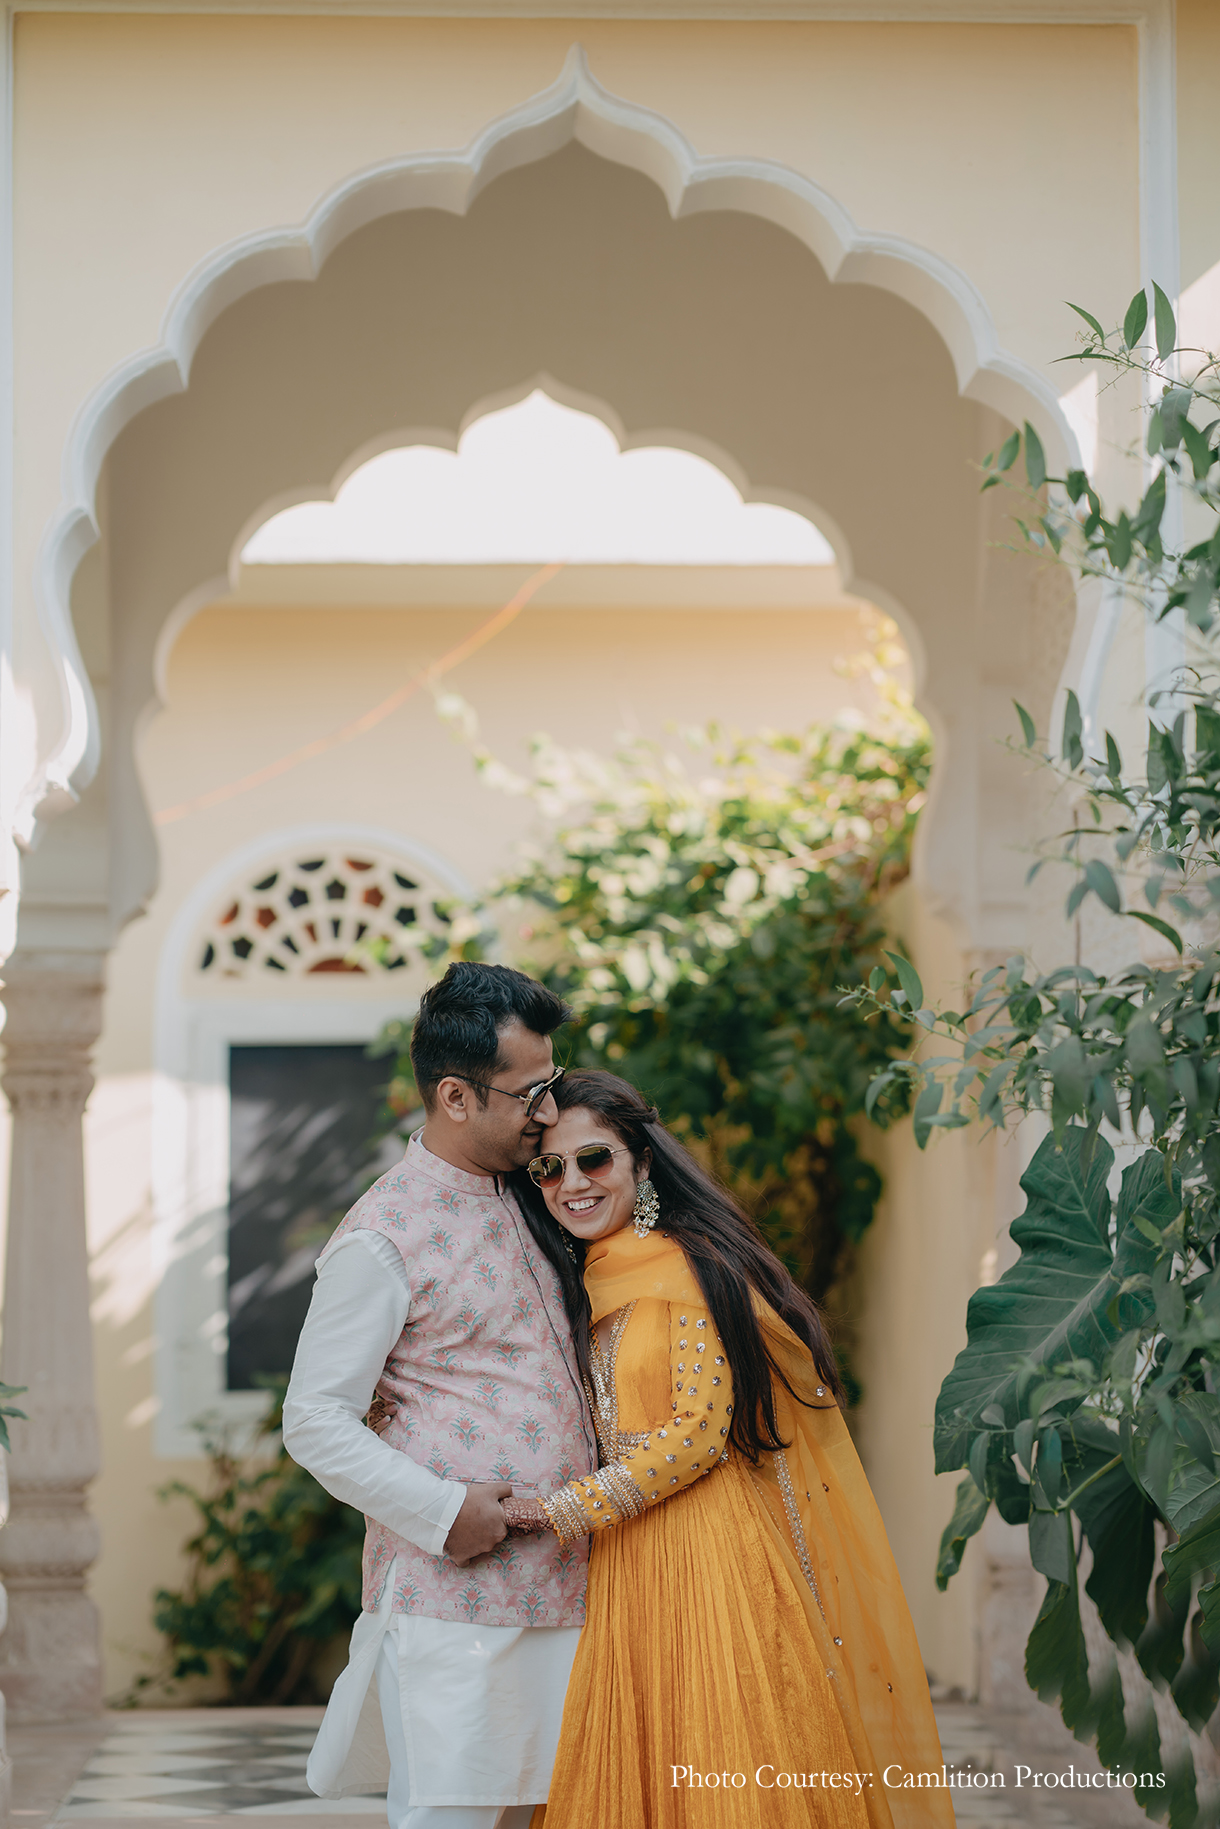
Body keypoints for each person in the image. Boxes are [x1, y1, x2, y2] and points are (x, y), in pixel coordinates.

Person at [503, 1070, 953, 1829]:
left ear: (642, 1163)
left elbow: (700, 1433)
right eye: (550, 1166)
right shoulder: (588, 1281)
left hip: (712, 1557)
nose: (570, 1181)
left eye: (595, 1159)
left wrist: (563, 1509)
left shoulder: (692, 1267)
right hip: (626, 1562)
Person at [282, 962, 597, 1829]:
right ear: (455, 1096)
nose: (547, 1108)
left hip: (576, 1585)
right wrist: (443, 1508)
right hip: (457, 1603)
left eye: (553, 1082)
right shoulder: (382, 1237)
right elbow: (313, 1418)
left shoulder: (541, 1195)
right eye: (529, 1091)